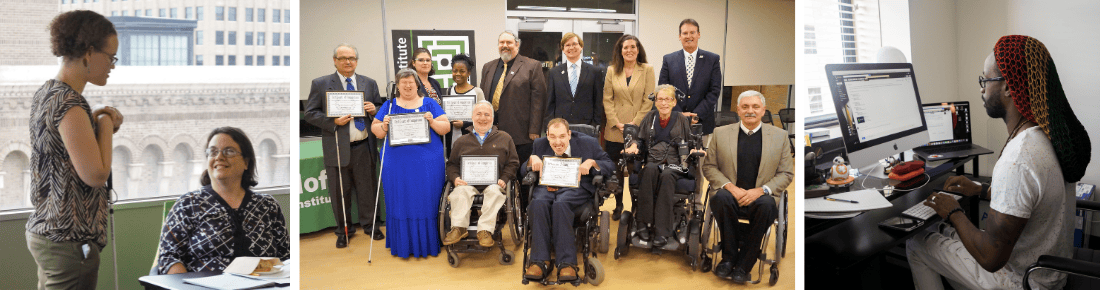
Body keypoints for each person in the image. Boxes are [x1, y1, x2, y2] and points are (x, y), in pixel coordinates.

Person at [906, 35, 1090, 290]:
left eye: (985, 80)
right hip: (1052, 272)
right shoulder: (1050, 136)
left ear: (1008, 87)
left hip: (1024, 281)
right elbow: (1031, 199)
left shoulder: (1019, 159)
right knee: (944, 232)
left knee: (917, 242)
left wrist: (953, 211)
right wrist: (981, 190)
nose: (981, 89)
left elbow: (990, 258)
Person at [25, 10, 123, 290]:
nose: (113, 66)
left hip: (49, 233)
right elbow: (96, 175)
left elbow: (67, 151)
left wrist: (96, 118)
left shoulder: (48, 93)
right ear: (89, 53)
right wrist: (106, 123)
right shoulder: (70, 104)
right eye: (111, 57)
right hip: (69, 239)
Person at [157, 127, 290, 274]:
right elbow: (169, 258)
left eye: (229, 151)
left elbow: (286, 257)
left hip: (266, 283)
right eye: (213, 152)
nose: (219, 157)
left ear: (246, 162)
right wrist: (185, 284)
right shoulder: (188, 204)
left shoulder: (268, 206)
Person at [702, 90, 793, 283]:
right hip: (730, 194)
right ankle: (729, 258)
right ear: (738, 110)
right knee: (720, 198)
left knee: (767, 205)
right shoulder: (720, 133)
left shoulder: (780, 136)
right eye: (745, 107)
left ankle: (745, 263)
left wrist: (760, 191)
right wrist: (730, 187)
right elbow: (709, 167)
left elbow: (786, 173)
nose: (750, 111)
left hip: (761, 196)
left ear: (763, 110)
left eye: (755, 107)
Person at [303, 43, 385, 248]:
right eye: (343, 58)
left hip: (364, 146)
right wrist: (333, 122)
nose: (348, 62)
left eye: (352, 58)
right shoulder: (321, 83)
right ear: (335, 61)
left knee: (368, 191)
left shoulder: (369, 83)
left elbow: (380, 106)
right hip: (337, 148)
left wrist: (374, 109)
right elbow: (310, 113)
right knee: (340, 193)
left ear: (356, 61)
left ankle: (371, 226)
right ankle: (344, 231)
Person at [371, 68, 452, 258]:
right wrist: (383, 125)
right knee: (400, 201)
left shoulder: (430, 103)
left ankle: (431, 240)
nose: (407, 86)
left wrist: (432, 122)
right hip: (397, 165)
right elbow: (376, 131)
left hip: (427, 165)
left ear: (417, 84)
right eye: (403, 83)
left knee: (427, 201)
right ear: (397, 86)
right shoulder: (389, 105)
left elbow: (446, 127)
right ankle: (403, 243)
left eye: (411, 82)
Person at [523, 118, 614, 282]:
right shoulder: (539, 144)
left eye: (562, 136)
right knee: (537, 203)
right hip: (548, 187)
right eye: (552, 137)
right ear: (547, 136)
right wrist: (531, 160)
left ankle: (566, 263)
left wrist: (592, 162)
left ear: (569, 134)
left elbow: (609, 165)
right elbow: (522, 170)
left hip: (576, 188)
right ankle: (540, 261)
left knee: (561, 204)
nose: (558, 142)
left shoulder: (588, 143)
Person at [622, 85, 705, 249]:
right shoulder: (649, 117)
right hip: (653, 161)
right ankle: (643, 224)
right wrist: (634, 146)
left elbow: (690, 143)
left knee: (667, 175)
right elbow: (640, 140)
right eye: (660, 99)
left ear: (674, 102)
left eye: (668, 99)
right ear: (655, 101)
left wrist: (694, 149)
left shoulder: (681, 119)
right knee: (649, 170)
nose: (664, 103)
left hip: (675, 165)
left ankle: (662, 231)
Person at [442, 101, 520, 247]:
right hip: (467, 184)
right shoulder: (461, 141)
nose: (482, 118)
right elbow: (451, 165)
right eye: (478, 114)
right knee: (459, 192)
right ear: (472, 117)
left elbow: (513, 163)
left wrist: (504, 179)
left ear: (493, 118)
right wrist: (456, 178)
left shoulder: (505, 138)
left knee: (495, 192)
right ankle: (459, 228)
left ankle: (485, 231)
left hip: (494, 183)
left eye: (487, 114)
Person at [602, 34, 655, 219]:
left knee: (634, 171)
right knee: (616, 171)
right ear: (620, 50)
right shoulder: (612, 70)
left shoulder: (647, 70)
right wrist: (615, 122)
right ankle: (618, 205)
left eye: (633, 47)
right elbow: (607, 99)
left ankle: (634, 206)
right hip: (615, 130)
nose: (629, 50)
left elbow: (649, 100)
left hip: (637, 129)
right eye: (625, 47)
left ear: (638, 50)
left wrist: (635, 123)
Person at [479, 31, 546, 164]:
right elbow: (483, 98)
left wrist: (534, 129)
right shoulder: (488, 67)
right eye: (501, 42)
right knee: (496, 169)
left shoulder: (532, 66)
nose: (505, 45)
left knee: (519, 169)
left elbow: (539, 100)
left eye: (509, 42)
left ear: (517, 44)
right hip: (491, 132)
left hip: (521, 134)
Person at [658, 19, 722, 135]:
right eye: (685, 33)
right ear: (679, 36)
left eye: (692, 32)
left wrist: (696, 115)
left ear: (699, 34)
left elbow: (714, 91)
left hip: (702, 123)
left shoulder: (712, 59)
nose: (689, 36)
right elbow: (663, 90)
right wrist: (679, 114)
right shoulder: (669, 59)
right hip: (674, 122)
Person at [545, 32, 606, 129]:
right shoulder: (554, 72)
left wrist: (595, 125)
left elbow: (598, 101)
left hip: (587, 126)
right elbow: (550, 103)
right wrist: (549, 125)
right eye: (567, 45)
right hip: (560, 126)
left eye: (574, 44)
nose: (571, 47)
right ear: (563, 49)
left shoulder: (595, 72)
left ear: (581, 46)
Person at [447, 54, 485, 135]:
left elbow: (483, 117)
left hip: (472, 136)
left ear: (469, 73)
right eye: (455, 71)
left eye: (462, 71)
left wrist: (464, 124)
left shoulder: (477, 92)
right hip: (453, 136)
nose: (458, 74)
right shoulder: (449, 91)